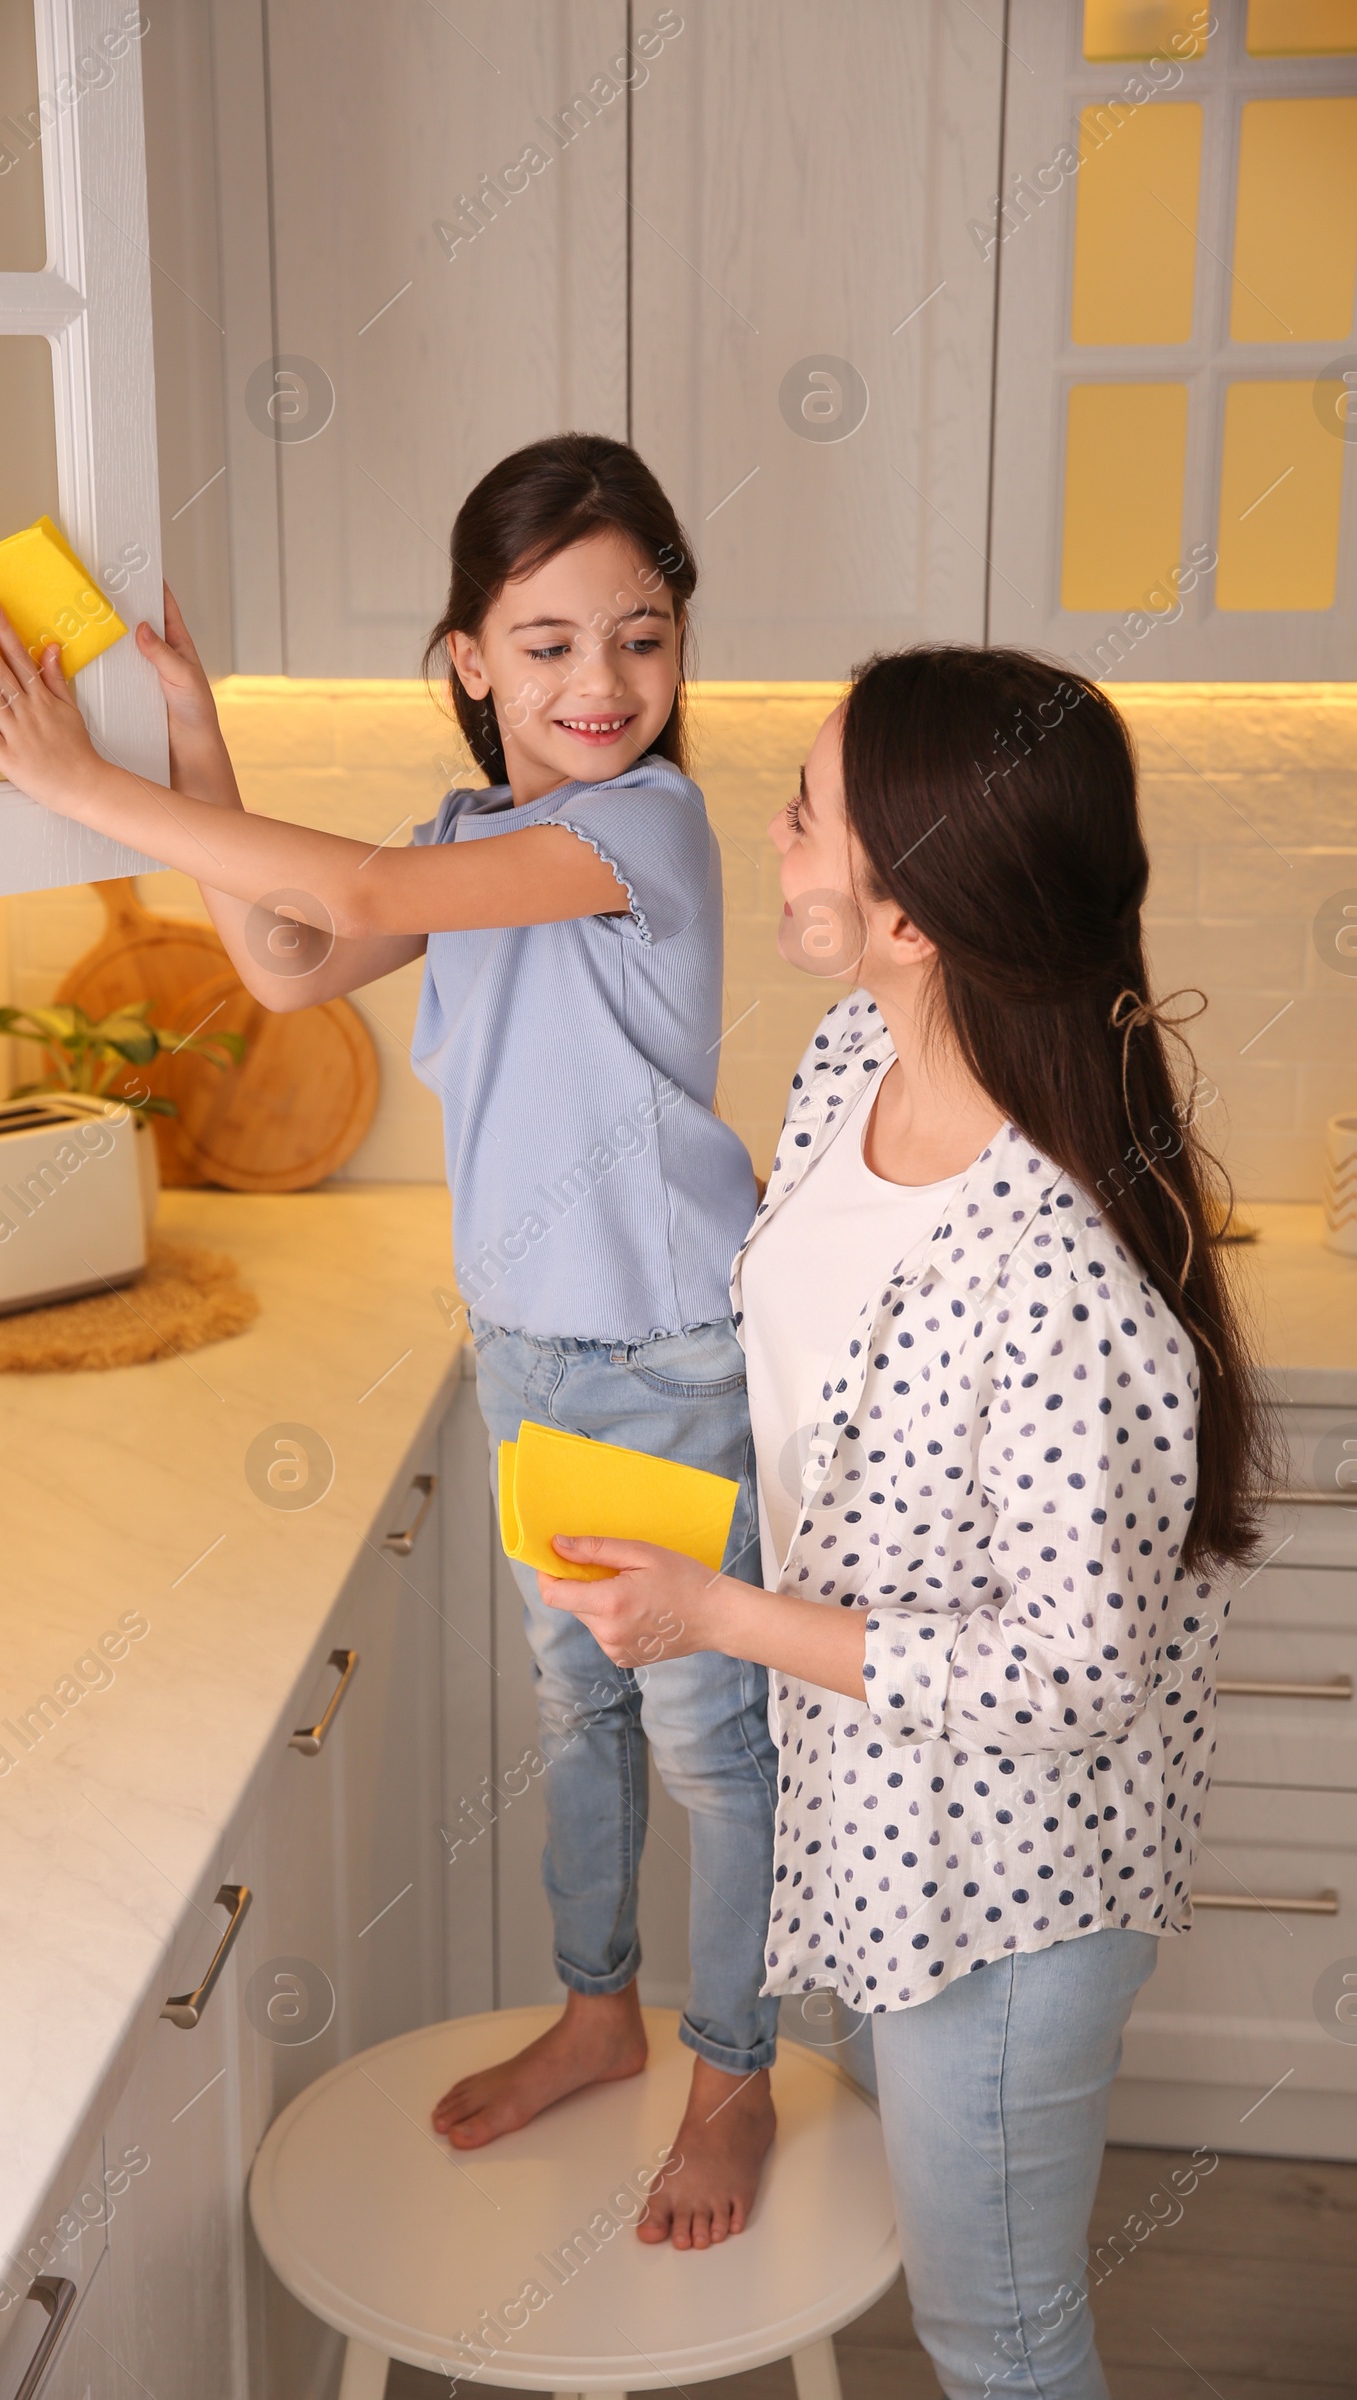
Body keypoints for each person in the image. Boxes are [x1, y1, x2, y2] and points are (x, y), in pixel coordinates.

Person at [0, 433, 780, 2250]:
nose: (603, 683)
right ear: (469, 658)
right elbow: (289, 964)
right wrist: (191, 743)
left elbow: (366, 905)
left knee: (712, 1743)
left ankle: (732, 2080)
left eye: (642, 636)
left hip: (667, 1358)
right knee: (581, 1713)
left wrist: (80, 784)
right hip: (541, 1356)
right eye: (547, 643)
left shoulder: (635, 829)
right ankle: (596, 2015)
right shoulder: (481, 834)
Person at [537, 647, 1268, 2388]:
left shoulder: (1062, 1277)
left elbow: (1070, 1678)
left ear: (918, 914)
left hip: (1010, 1892)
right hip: (877, 1808)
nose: (776, 840)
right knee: (940, 2266)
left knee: (997, 2335)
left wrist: (716, 1619)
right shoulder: (854, 1051)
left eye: (806, 814)